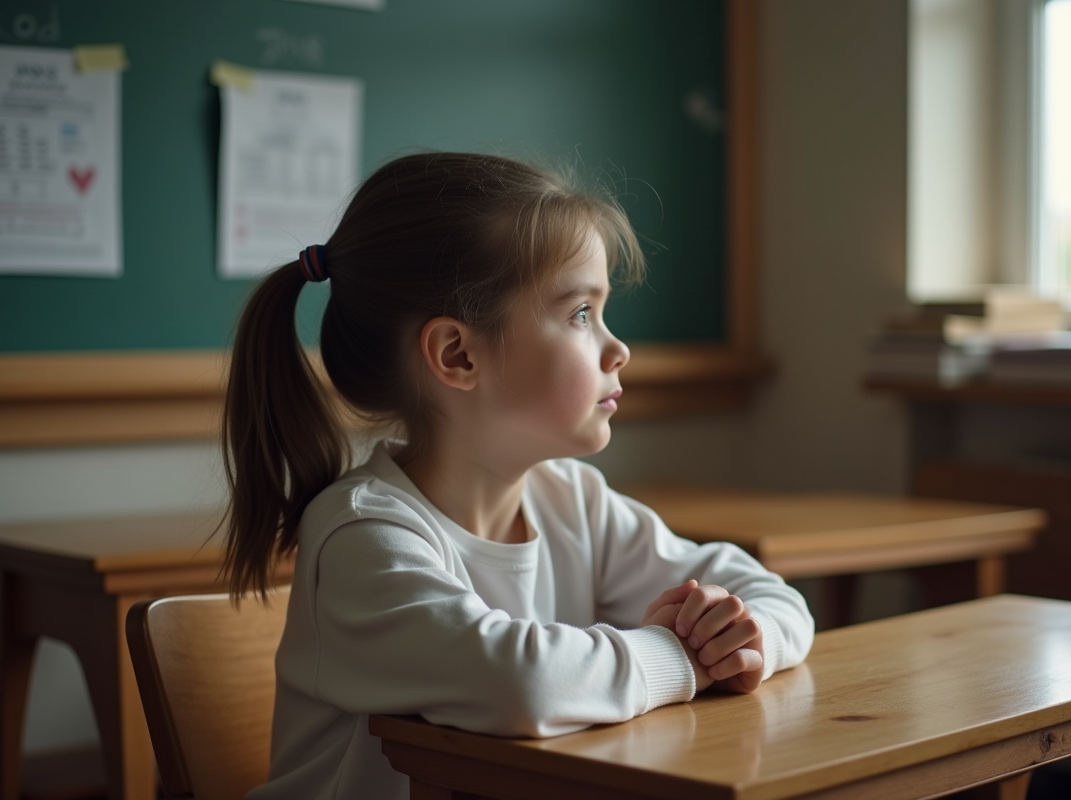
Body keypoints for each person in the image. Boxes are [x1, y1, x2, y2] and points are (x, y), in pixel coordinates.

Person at [222, 152, 814, 800]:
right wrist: (684, 658)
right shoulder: (361, 536)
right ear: (458, 354)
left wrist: (741, 640)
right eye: (581, 314)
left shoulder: (572, 500)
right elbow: (524, 685)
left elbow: (775, 598)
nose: (619, 350)